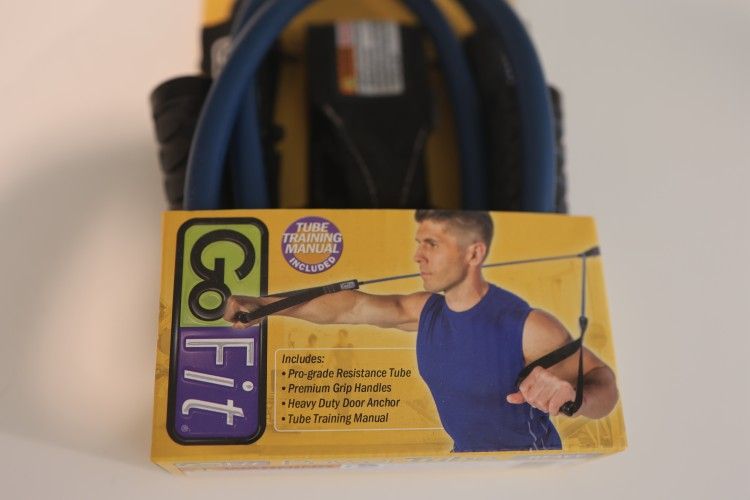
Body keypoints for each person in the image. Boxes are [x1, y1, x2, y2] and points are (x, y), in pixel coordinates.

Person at [224, 210, 619, 451]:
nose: (417, 256)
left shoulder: (526, 325)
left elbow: (605, 385)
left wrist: (575, 395)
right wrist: (265, 305)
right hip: (462, 465)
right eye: (419, 243)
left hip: (531, 473)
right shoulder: (426, 310)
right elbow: (350, 307)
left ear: (474, 253)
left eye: (431, 244)